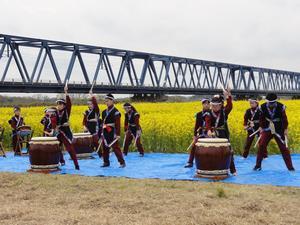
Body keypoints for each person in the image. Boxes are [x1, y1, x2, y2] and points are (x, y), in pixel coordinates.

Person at [253, 93, 295, 171]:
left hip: (278, 129)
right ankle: (258, 166)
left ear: (275, 101)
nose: (271, 104)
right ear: (267, 101)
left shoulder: (281, 106)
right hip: (267, 128)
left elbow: (284, 119)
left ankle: (290, 167)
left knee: (284, 148)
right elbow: (261, 118)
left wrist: (285, 129)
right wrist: (261, 127)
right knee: (261, 145)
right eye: (270, 102)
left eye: (273, 102)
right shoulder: (262, 107)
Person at [206, 89, 237, 175]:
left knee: (228, 150)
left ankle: (233, 170)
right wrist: (208, 130)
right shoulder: (209, 112)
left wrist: (228, 96)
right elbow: (208, 122)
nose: (214, 107)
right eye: (213, 105)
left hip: (223, 132)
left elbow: (230, 105)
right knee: (211, 150)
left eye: (216, 105)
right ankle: (212, 168)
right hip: (212, 132)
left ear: (220, 105)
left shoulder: (224, 111)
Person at [54, 86, 80, 170]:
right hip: (59, 133)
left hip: (66, 133)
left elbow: (69, 103)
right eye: (58, 104)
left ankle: (76, 165)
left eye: (60, 104)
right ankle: (62, 161)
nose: (59, 105)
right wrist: (56, 127)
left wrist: (66, 92)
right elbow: (54, 122)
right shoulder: (56, 112)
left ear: (64, 105)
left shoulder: (66, 111)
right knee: (56, 147)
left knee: (70, 149)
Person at [100, 94, 126, 168]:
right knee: (105, 147)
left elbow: (117, 124)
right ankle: (106, 162)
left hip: (112, 131)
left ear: (112, 101)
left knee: (115, 147)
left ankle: (122, 162)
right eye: (105, 101)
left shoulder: (116, 111)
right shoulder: (104, 112)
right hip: (105, 131)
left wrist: (117, 134)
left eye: (107, 101)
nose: (106, 103)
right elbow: (103, 123)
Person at [184, 98, 211, 168]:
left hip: (211, 133)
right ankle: (190, 162)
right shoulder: (199, 114)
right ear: (202, 104)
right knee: (194, 146)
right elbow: (196, 126)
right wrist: (195, 135)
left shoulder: (212, 113)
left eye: (208, 103)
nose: (207, 105)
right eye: (205, 103)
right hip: (202, 133)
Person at [82, 91, 102, 157]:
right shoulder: (86, 111)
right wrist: (84, 126)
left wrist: (92, 95)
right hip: (88, 127)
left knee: (95, 141)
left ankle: (100, 154)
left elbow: (96, 104)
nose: (89, 105)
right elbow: (84, 120)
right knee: (87, 141)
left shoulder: (96, 110)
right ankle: (88, 154)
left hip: (94, 126)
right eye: (88, 104)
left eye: (91, 104)